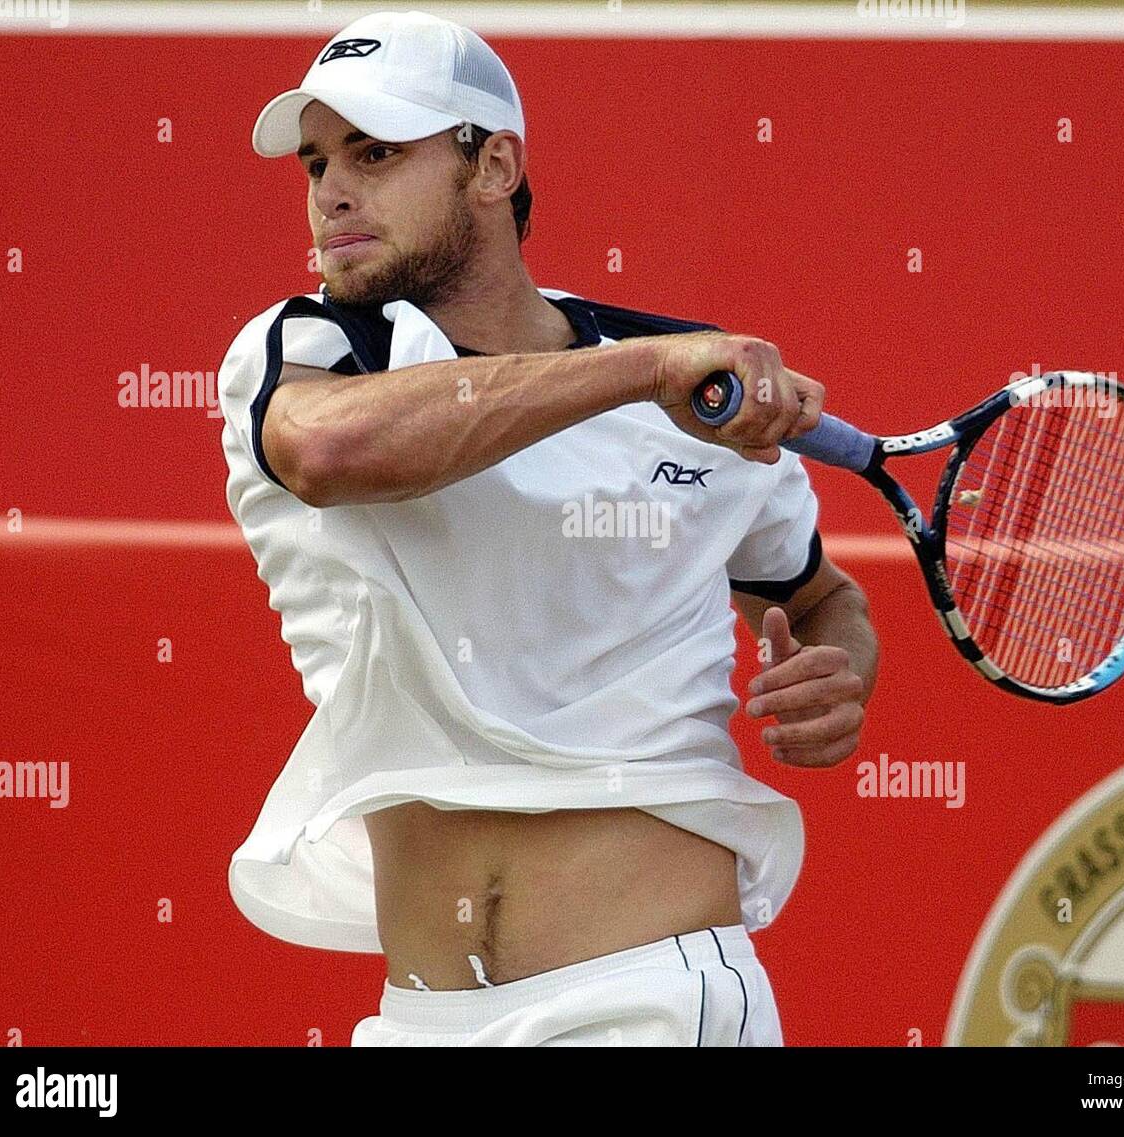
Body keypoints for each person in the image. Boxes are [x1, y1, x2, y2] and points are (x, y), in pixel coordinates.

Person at [217, 9, 878, 1046]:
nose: (332, 189)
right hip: (421, 1019)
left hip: (654, 998)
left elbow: (821, 598)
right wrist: (642, 370)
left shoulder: (701, 397)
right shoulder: (302, 349)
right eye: (316, 162)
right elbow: (329, 455)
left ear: (494, 168)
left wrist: (839, 673)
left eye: (377, 152)